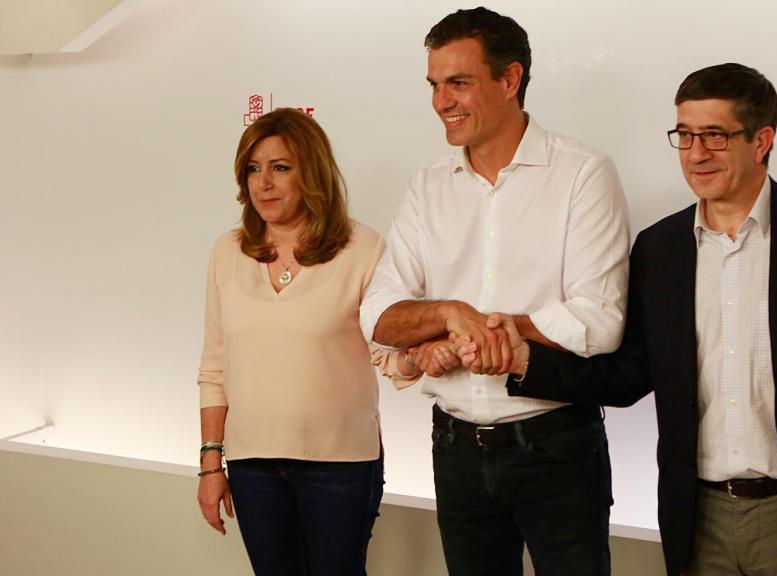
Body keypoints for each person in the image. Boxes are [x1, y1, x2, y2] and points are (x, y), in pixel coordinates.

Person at [465, 63, 777, 575]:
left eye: (715, 136)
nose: (696, 153)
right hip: (697, 519)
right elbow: (630, 374)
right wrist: (526, 358)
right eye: (684, 136)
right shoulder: (660, 248)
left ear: (762, 139)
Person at [359, 7, 630, 576]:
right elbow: (378, 316)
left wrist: (493, 329)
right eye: (434, 85)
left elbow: (599, 320)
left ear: (510, 80)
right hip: (455, 450)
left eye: (459, 82)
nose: (441, 102)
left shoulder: (582, 173)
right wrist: (450, 312)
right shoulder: (427, 186)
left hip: (558, 447)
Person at [195, 108, 386, 576]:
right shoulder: (227, 250)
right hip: (252, 464)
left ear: (313, 173)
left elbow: (390, 349)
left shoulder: (365, 248)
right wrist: (210, 463)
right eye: (253, 169)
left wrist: (435, 349)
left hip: (340, 463)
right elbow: (214, 368)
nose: (264, 183)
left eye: (280, 168)